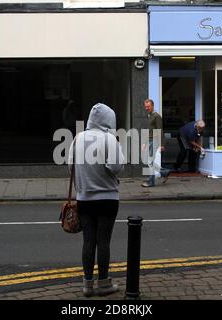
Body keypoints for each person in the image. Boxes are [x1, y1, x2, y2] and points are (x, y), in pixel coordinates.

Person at [68, 103, 124, 297]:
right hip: (107, 198)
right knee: (104, 241)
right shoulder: (109, 139)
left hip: (84, 198)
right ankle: (104, 284)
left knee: (88, 241)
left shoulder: (77, 139)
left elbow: (70, 168)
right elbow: (117, 167)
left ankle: (87, 285)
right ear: (108, 119)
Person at [141, 99, 162, 188]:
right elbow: (148, 131)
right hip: (149, 141)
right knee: (149, 161)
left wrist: (161, 144)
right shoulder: (149, 116)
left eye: (148, 106)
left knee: (150, 162)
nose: (146, 108)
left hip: (154, 141)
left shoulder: (156, 116)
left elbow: (160, 130)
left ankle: (151, 182)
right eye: (145, 106)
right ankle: (164, 172)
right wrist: (144, 143)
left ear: (152, 106)